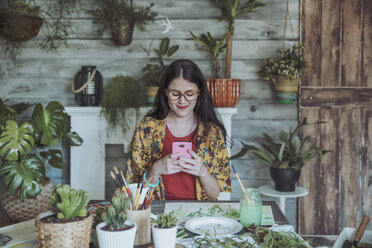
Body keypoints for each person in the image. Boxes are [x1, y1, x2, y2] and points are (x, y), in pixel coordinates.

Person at [125, 59, 230, 200]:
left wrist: (203, 172)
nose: (182, 101)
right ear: (165, 92)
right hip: (158, 212)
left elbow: (215, 194)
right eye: (175, 94)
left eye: (190, 94)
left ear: (199, 93)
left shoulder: (212, 132)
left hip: (199, 215)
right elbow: (135, 192)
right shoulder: (147, 128)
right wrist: (155, 170)